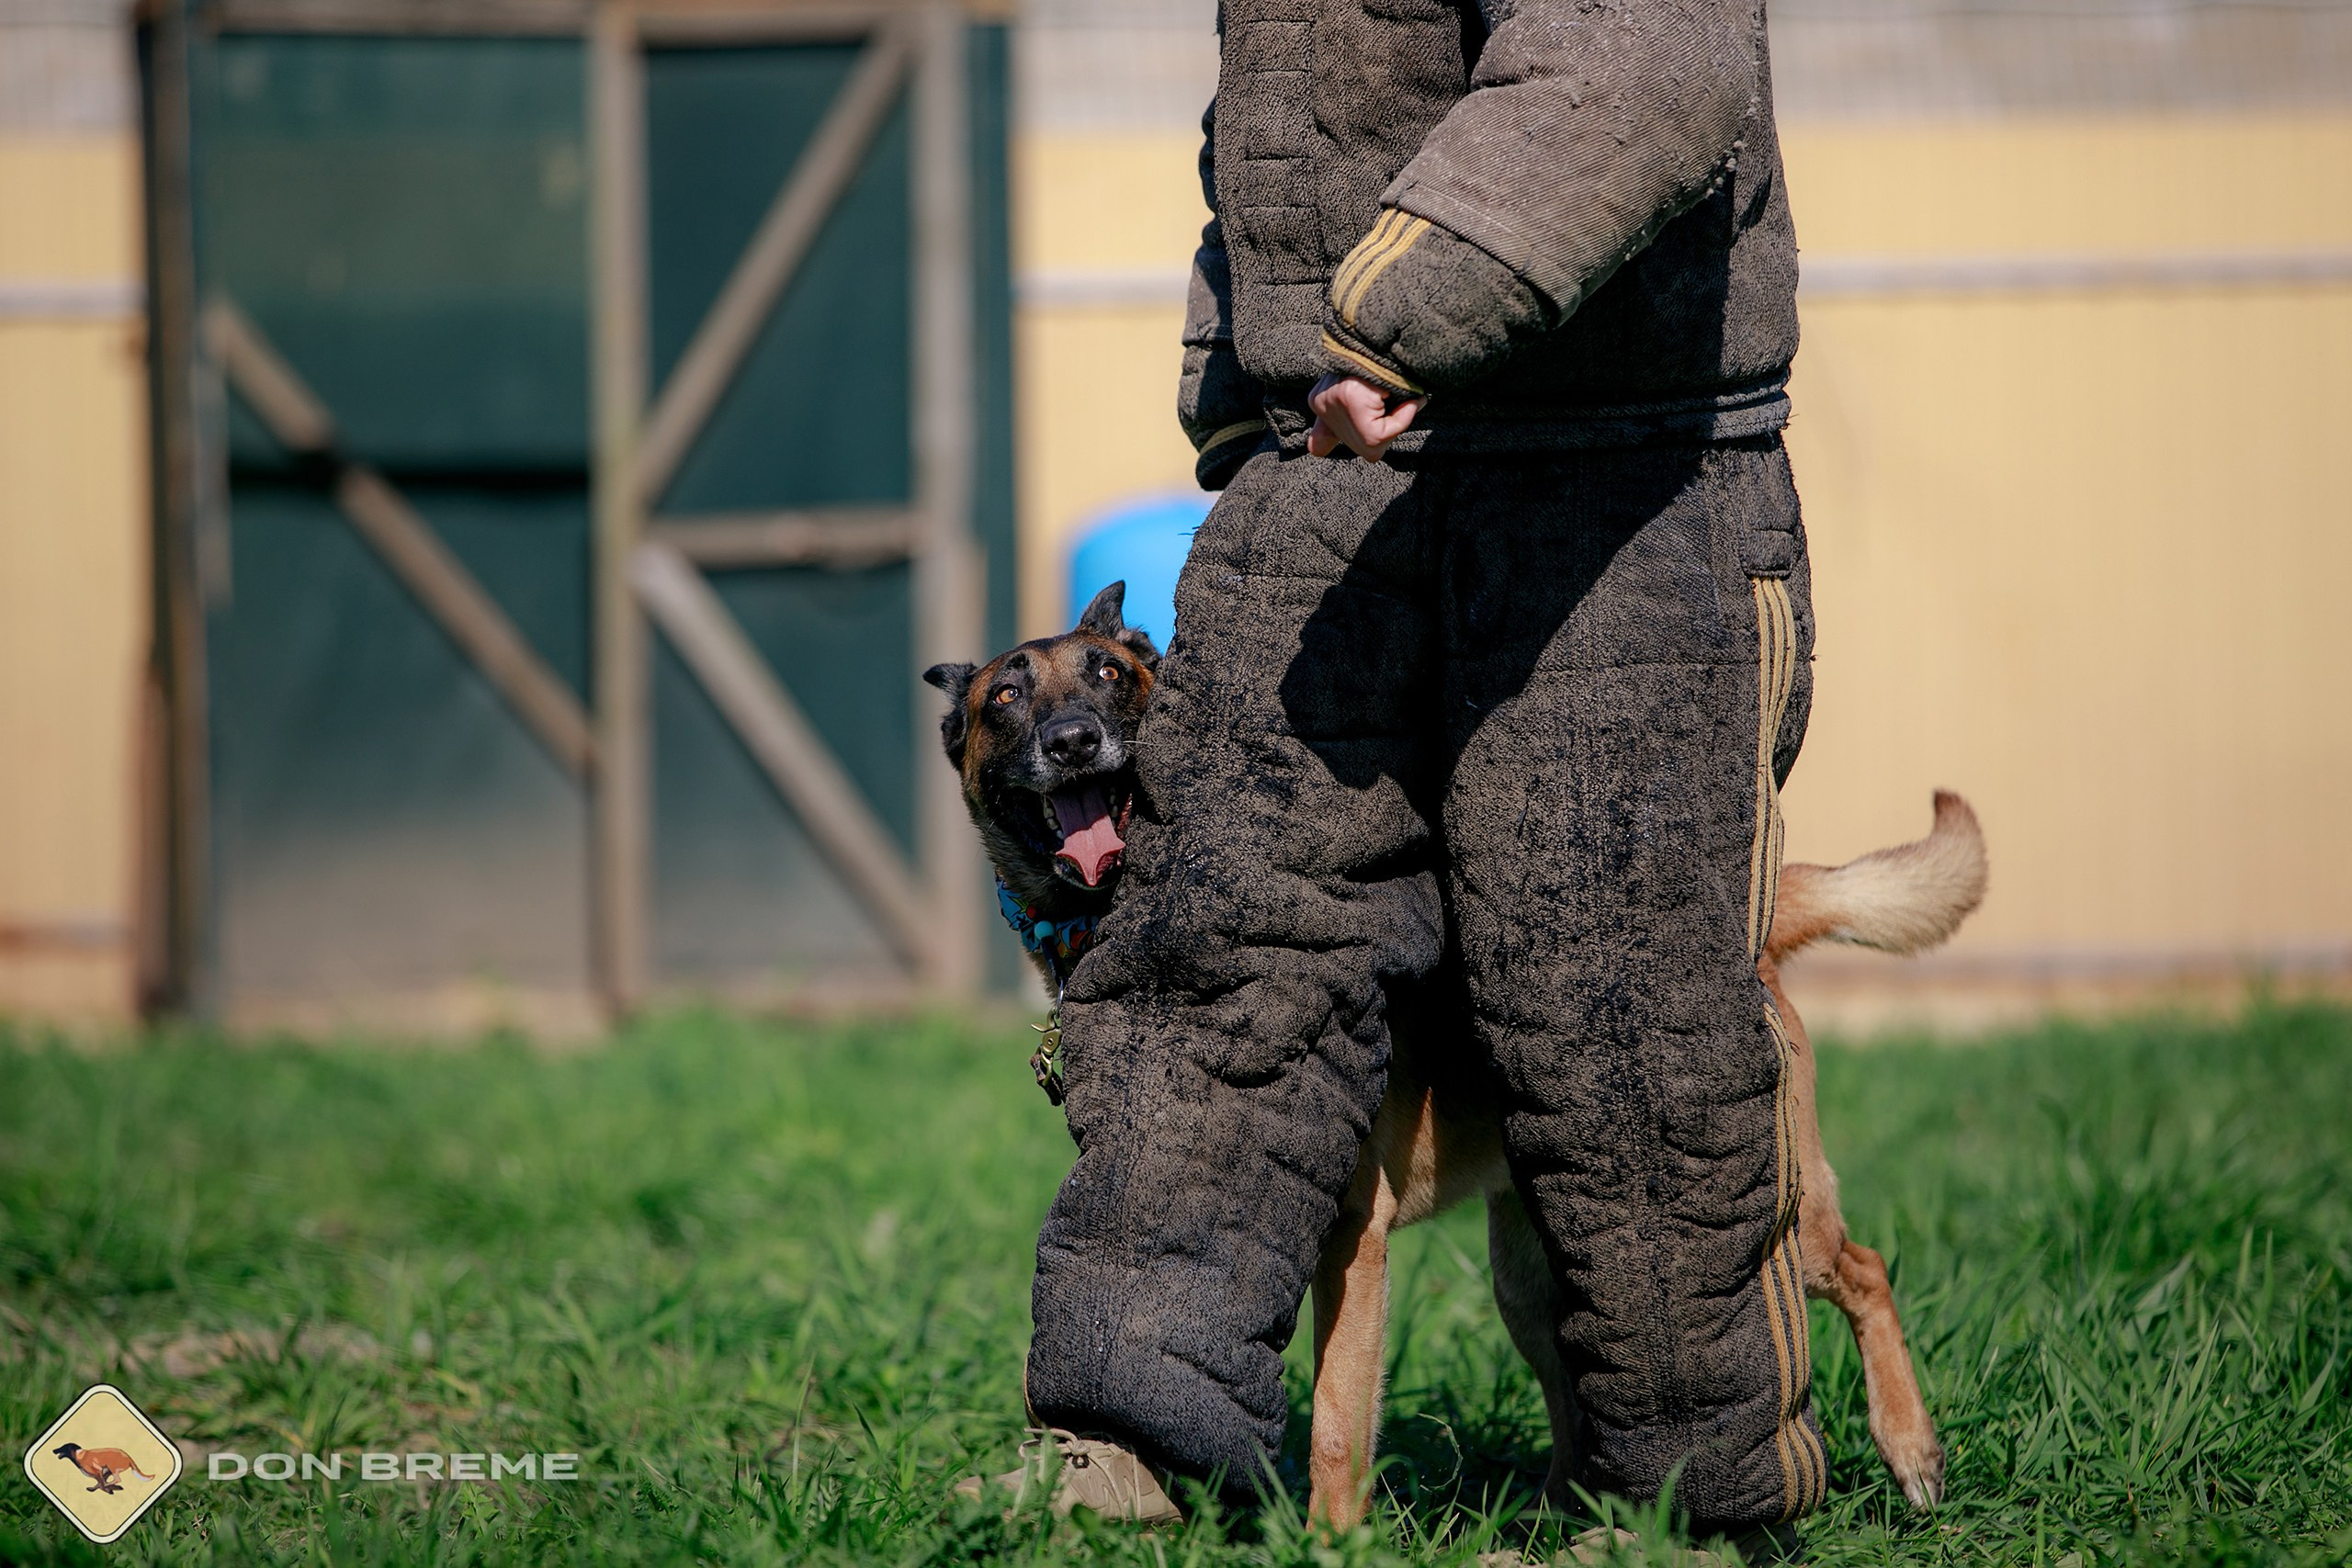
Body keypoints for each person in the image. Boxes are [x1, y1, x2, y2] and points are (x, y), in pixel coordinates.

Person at [983, 0, 1822, 1537]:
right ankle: (1120, 1433)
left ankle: (1686, 1508)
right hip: (1322, 474)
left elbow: (1643, 58)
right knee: (1214, 965)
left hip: (1618, 482)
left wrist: (1394, 320)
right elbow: (1274, 127)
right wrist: (1235, 400)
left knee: (1620, 1016)